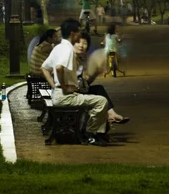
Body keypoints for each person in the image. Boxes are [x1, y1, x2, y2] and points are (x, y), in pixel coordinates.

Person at [41, 18, 109, 146]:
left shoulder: (58, 47)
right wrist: (64, 87)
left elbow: (44, 68)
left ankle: (94, 133)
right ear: (73, 33)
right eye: (79, 32)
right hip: (66, 97)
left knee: (96, 99)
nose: (80, 35)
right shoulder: (68, 50)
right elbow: (58, 68)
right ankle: (90, 133)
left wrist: (55, 87)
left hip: (59, 95)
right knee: (101, 101)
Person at [74, 33, 129, 125]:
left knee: (99, 88)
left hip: (79, 91)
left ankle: (112, 114)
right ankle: (93, 130)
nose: (81, 45)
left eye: (84, 43)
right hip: (73, 93)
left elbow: (85, 83)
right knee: (101, 101)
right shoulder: (72, 58)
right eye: (78, 42)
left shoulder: (82, 59)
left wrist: (95, 72)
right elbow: (79, 84)